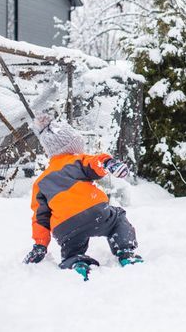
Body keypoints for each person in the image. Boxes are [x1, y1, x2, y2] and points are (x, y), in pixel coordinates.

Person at [22, 114, 142, 280]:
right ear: (71, 145)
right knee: (118, 219)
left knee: (72, 248)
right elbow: (95, 162)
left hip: (65, 228)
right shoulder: (76, 160)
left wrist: (40, 245)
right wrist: (109, 163)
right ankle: (126, 252)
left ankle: (75, 261)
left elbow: (40, 218)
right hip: (95, 213)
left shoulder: (40, 182)